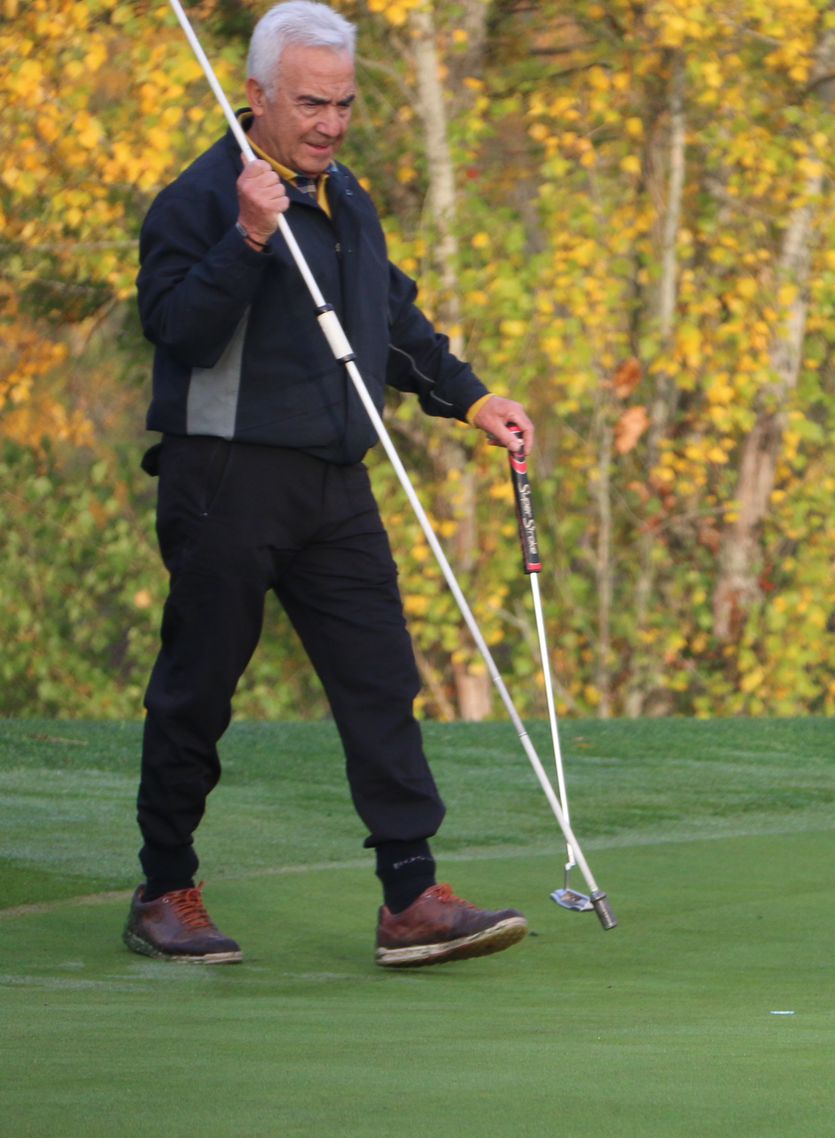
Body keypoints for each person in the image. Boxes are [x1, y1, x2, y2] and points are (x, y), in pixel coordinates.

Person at [127, 1, 531, 968]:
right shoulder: (199, 200)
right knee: (198, 691)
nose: (331, 123)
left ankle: (408, 897)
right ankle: (164, 889)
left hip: (335, 482)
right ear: (258, 96)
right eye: (312, 103)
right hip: (223, 479)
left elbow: (389, 325)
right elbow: (177, 330)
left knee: (380, 681)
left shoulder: (345, 198)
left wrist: (472, 401)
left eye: (345, 104)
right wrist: (248, 237)